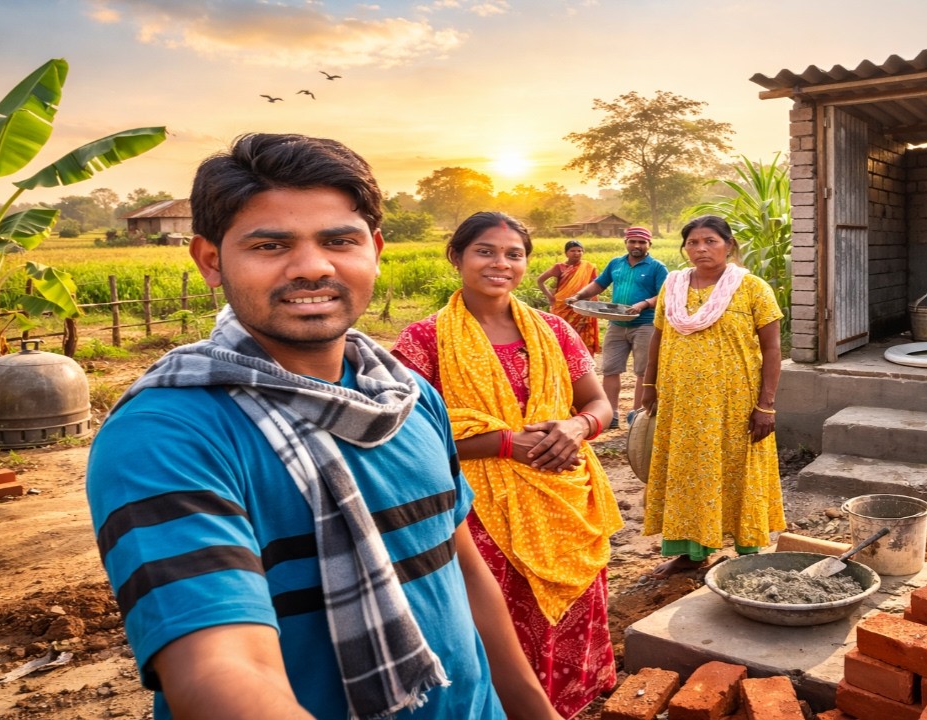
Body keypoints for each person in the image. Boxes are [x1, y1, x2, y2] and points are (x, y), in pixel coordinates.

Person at [86, 134, 562, 720]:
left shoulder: (410, 401)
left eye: (339, 240)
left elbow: (464, 571)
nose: (313, 266)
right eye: (269, 244)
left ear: (375, 249)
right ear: (211, 260)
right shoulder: (169, 435)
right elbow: (218, 669)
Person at [392, 211, 623, 718]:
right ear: (456, 257)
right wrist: (501, 444)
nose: (501, 263)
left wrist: (575, 428)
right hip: (478, 512)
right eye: (485, 251)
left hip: (564, 494)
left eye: (513, 254)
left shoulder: (555, 331)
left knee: (571, 611)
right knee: (493, 622)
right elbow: (404, 430)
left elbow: (599, 403)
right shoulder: (424, 340)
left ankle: (566, 704)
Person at [640, 215, 786, 577]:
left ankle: (749, 552)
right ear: (684, 248)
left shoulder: (752, 288)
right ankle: (691, 552)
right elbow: (658, 338)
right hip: (681, 403)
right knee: (688, 473)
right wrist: (648, 384)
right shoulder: (672, 287)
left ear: (729, 245)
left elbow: (772, 349)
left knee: (739, 472)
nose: (701, 249)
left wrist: (766, 404)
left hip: (735, 404)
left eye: (710, 241)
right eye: (693, 242)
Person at [567, 226, 668, 428]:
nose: (637, 246)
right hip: (615, 324)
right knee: (610, 369)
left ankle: (636, 416)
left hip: (645, 324)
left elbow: (665, 294)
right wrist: (578, 296)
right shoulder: (616, 263)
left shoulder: (657, 267)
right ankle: (610, 414)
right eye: (633, 242)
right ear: (626, 243)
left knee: (642, 371)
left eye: (642, 242)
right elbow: (599, 284)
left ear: (649, 244)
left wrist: (644, 304)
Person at [536, 239, 601, 355]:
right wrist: (550, 296)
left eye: (580, 251)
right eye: (573, 251)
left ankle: (583, 360)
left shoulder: (589, 267)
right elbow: (540, 280)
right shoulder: (559, 267)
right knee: (562, 332)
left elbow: (595, 285)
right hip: (562, 306)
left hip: (582, 306)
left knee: (583, 334)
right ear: (566, 253)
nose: (577, 253)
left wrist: (595, 304)